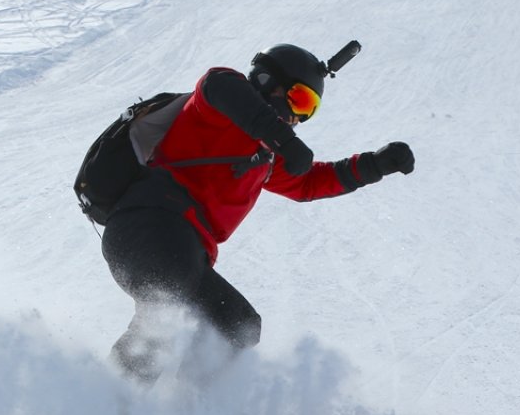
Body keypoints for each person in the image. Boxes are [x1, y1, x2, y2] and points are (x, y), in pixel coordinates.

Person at [100, 43, 415, 384]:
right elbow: (220, 87)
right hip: (151, 229)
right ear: (268, 81)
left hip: (173, 250)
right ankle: (151, 412)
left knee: (201, 325)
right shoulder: (217, 104)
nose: (299, 117)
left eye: (310, 109)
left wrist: (375, 165)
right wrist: (284, 140)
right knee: (203, 314)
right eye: (299, 99)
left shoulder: (264, 158)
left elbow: (308, 183)